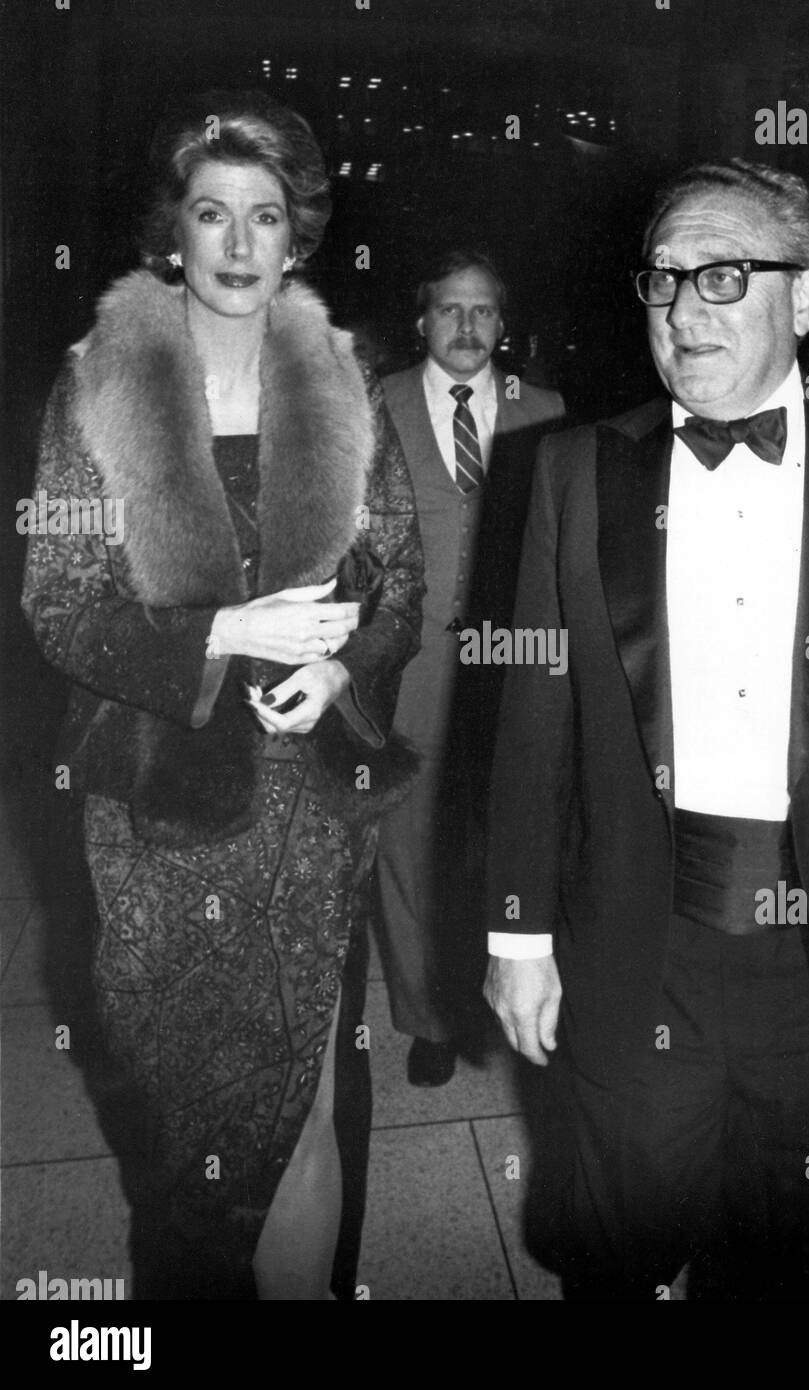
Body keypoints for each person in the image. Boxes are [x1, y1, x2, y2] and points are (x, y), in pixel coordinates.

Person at [484, 157, 809, 1299]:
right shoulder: (572, 469)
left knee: (804, 1258)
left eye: (723, 276)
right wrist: (516, 936)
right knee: (615, 1252)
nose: (681, 311)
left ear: (806, 296)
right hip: (635, 940)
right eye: (663, 279)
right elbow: (535, 721)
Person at [21, 90, 423, 1300]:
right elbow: (59, 599)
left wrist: (341, 663)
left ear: (298, 234)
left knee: (307, 1102)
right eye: (213, 215)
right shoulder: (95, 388)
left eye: (266, 216)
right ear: (174, 234)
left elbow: (401, 581)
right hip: (159, 817)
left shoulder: (346, 384)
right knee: (187, 1139)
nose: (241, 246)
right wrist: (222, 632)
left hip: (309, 815)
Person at [377, 251, 564, 1086]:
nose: (464, 327)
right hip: (407, 666)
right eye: (448, 309)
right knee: (409, 845)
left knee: (515, 832)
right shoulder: (371, 406)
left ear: (502, 324)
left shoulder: (547, 412)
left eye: (481, 311)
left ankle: (521, 989)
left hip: (515, 667)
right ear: (420, 320)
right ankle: (428, 1018)